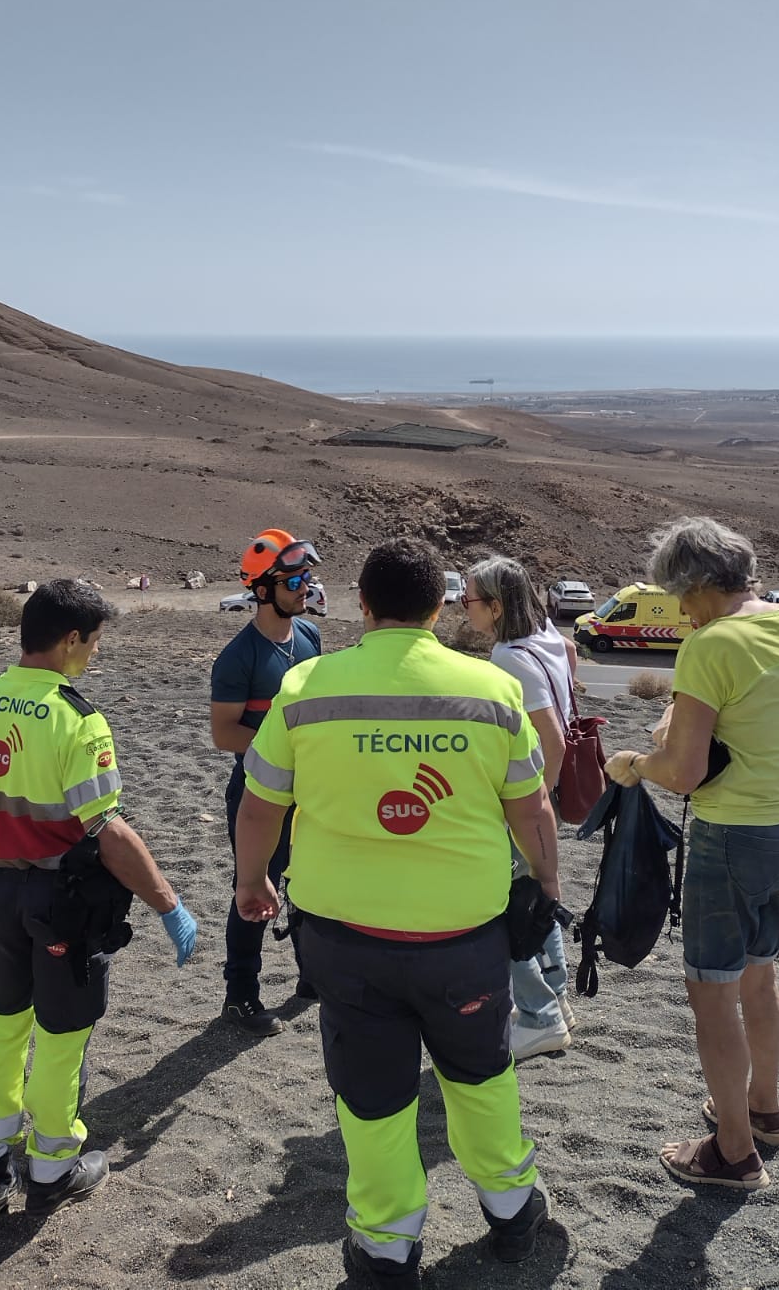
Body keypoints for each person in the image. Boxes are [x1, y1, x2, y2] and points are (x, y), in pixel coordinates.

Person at [235, 538, 556, 1286]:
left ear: (362, 605)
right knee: (480, 1078)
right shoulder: (489, 689)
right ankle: (511, 1213)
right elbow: (532, 809)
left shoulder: (309, 686)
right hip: (464, 940)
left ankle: (385, 1248)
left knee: (372, 1098)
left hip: (345, 944)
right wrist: (548, 883)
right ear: (439, 608)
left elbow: (260, 808)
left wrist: (251, 881)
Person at [0, 579, 198, 1218]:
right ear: (72, 639)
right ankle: (52, 1170)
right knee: (60, 1037)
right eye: (94, 642)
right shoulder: (76, 720)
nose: (95, 654)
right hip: (62, 902)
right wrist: (168, 904)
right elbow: (107, 832)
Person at [604, 517, 779, 1193]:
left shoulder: (711, 645)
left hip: (735, 834)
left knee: (711, 991)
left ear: (700, 583)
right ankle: (763, 1110)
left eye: (681, 596)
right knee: (760, 976)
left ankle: (732, 1151)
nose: (679, 610)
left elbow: (685, 772)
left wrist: (636, 764)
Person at [464, 556, 578, 1060]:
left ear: (493, 605)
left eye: (469, 600)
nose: (463, 608)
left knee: (505, 905)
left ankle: (539, 1014)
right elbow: (572, 653)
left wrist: (535, 803)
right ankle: (557, 996)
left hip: (525, 796)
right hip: (540, 796)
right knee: (537, 892)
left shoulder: (508, 657)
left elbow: (551, 742)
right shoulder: (550, 635)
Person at [209, 528, 322, 1036]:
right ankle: (240, 997)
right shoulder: (239, 657)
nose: (305, 587)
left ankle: (311, 976)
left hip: (310, 792)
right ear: (262, 588)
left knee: (310, 882)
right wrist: (282, 753)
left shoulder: (310, 637)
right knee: (253, 890)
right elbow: (223, 733)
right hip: (259, 793)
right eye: (294, 579)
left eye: (306, 577)